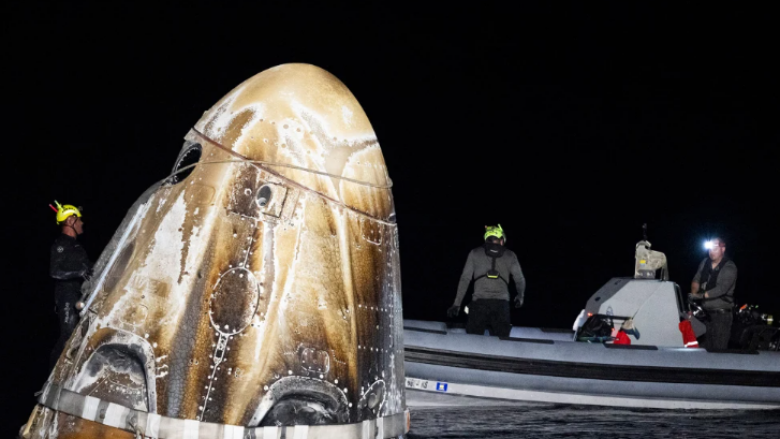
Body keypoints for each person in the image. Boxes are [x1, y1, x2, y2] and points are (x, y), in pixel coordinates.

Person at [447, 224, 526, 337]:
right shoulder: (510, 255)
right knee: (502, 342)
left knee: (473, 341)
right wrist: (520, 296)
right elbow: (520, 280)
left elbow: (465, 279)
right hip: (501, 305)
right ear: (501, 239)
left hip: (479, 304)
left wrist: (456, 304)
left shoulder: (474, 253)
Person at [49, 201, 92, 366]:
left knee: (81, 334)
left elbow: (90, 270)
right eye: (78, 219)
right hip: (66, 295)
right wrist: (79, 272)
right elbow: (55, 272)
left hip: (80, 295)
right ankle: (51, 376)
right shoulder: (61, 244)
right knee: (68, 334)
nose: (82, 223)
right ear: (70, 221)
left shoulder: (78, 247)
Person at [689, 237, 737, 350]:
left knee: (718, 350)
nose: (712, 252)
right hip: (705, 315)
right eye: (710, 249)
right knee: (703, 349)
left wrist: (701, 295)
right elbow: (696, 279)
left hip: (721, 316)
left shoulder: (730, 267)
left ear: (723, 249)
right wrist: (693, 296)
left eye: (715, 248)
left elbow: (722, 289)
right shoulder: (705, 262)